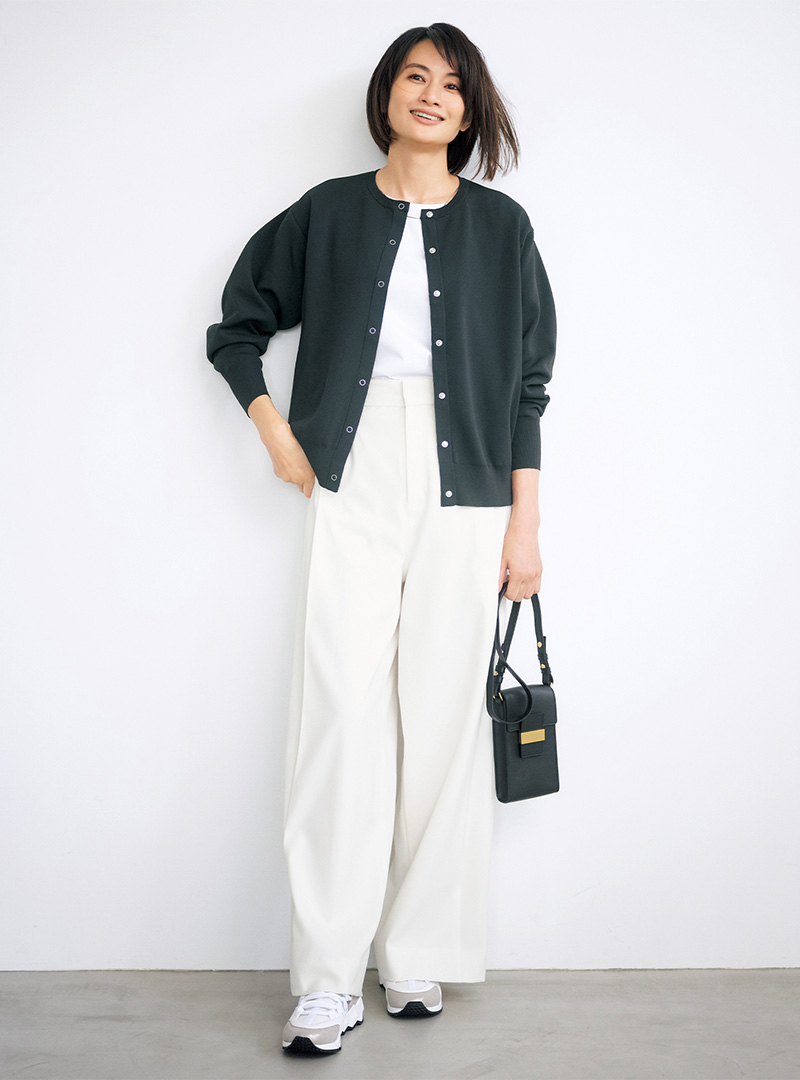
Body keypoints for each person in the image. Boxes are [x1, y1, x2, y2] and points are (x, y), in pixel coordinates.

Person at [206, 22, 557, 1056]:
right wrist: (276, 433)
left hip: (470, 486)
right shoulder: (327, 213)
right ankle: (325, 979)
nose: (431, 95)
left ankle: (415, 956)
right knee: (339, 715)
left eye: (451, 84)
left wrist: (526, 525)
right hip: (350, 471)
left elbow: (529, 387)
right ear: (387, 93)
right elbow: (236, 326)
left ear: (470, 109)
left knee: (441, 721)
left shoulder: (502, 228)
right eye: (415, 76)